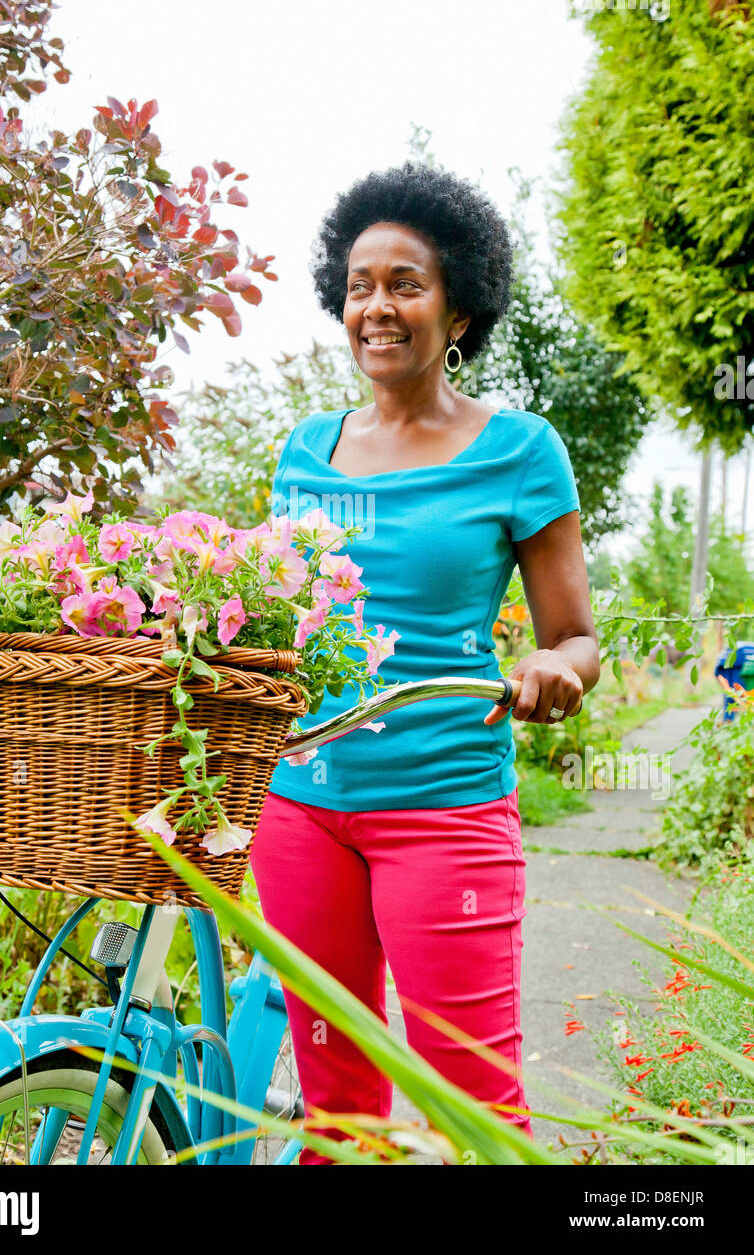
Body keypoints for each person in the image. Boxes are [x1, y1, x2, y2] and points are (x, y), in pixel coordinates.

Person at [249, 161, 601, 1164]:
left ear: (457, 308)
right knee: (335, 1110)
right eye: (360, 284)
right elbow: (273, 616)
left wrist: (553, 670)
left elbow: (575, 635)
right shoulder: (303, 452)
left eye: (405, 282)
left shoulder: (518, 451)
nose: (377, 305)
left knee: (471, 1104)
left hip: (441, 810)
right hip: (300, 804)